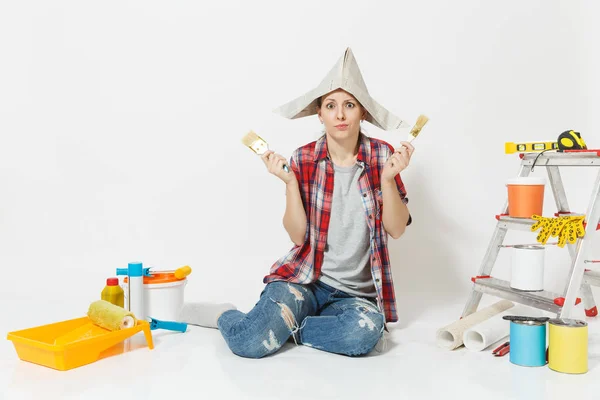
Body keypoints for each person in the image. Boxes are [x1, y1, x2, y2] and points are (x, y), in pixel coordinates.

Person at [179, 48, 414, 358]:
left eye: (349, 105)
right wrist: (290, 183)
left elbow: (396, 230)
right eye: (331, 106)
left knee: (362, 336)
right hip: (305, 281)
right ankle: (226, 314)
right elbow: (298, 237)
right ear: (320, 113)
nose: (340, 115)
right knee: (248, 342)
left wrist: (387, 180)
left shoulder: (384, 156)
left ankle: (290, 328)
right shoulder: (303, 158)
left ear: (363, 113)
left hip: (356, 296)